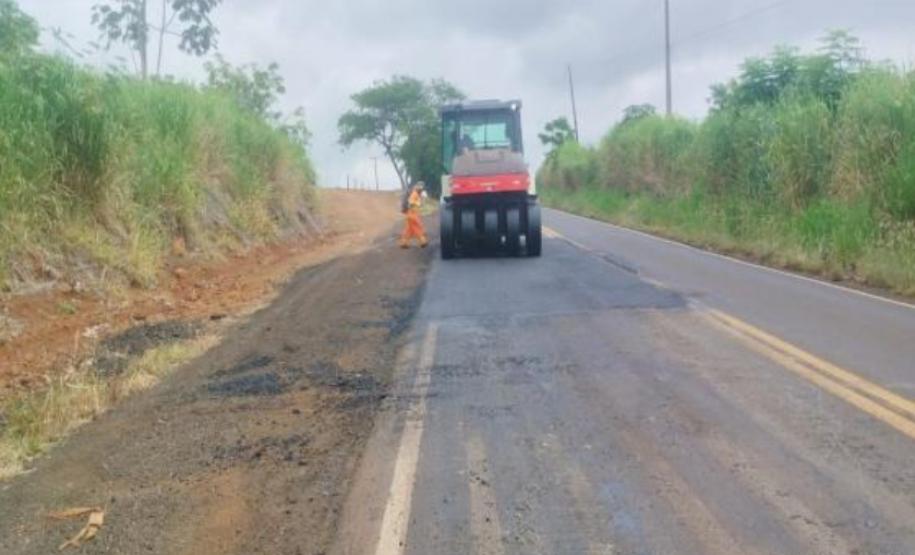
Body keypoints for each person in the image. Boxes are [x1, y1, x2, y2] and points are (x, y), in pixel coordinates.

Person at [399, 182, 428, 249]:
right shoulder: (414, 193)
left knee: (408, 230)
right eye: (420, 187)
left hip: (410, 214)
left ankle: (404, 243)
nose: (421, 188)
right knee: (418, 227)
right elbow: (411, 202)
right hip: (412, 214)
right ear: (417, 186)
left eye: (422, 187)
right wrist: (418, 203)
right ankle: (423, 242)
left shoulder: (416, 194)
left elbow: (412, 202)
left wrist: (421, 200)